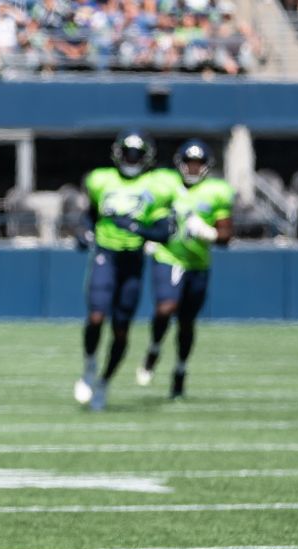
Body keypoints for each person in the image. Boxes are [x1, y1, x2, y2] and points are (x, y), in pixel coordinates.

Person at [75, 129, 178, 411]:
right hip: (105, 255)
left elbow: (165, 231)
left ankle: (105, 382)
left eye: (137, 154)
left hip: (132, 260)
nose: (132, 158)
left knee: (121, 331)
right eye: (128, 153)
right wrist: (83, 231)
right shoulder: (101, 179)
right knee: (96, 317)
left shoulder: (157, 185)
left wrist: (136, 227)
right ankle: (89, 366)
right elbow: (90, 215)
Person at [136, 139, 233, 399]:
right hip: (168, 256)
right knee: (165, 308)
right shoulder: (164, 183)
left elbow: (226, 236)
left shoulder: (216, 191)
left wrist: (208, 233)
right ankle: (154, 348)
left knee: (187, 323)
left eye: (198, 163)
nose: (192, 168)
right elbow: (143, 209)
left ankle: (180, 370)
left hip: (198, 264)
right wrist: (148, 236)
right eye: (188, 162)